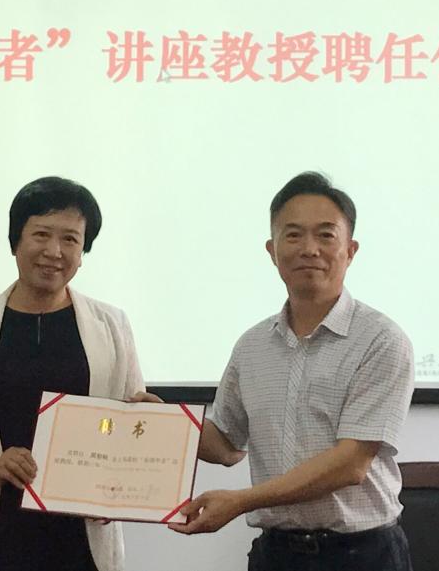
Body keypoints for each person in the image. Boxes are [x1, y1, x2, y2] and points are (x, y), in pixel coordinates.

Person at [171, 171, 415, 571]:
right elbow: (226, 443)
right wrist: (162, 423)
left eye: (325, 235)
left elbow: (351, 463)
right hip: (276, 555)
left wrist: (241, 501)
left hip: (361, 555)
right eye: (294, 235)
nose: (309, 249)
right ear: (272, 250)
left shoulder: (381, 340)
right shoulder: (252, 346)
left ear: (351, 250)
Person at [0, 176, 154, 571]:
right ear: (15, 242)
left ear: (83, 252)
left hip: (83, 544)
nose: (54, 251)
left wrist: (141, 444)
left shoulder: (112, 325)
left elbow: (127, 425)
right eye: (41, 234)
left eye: (70, 240)